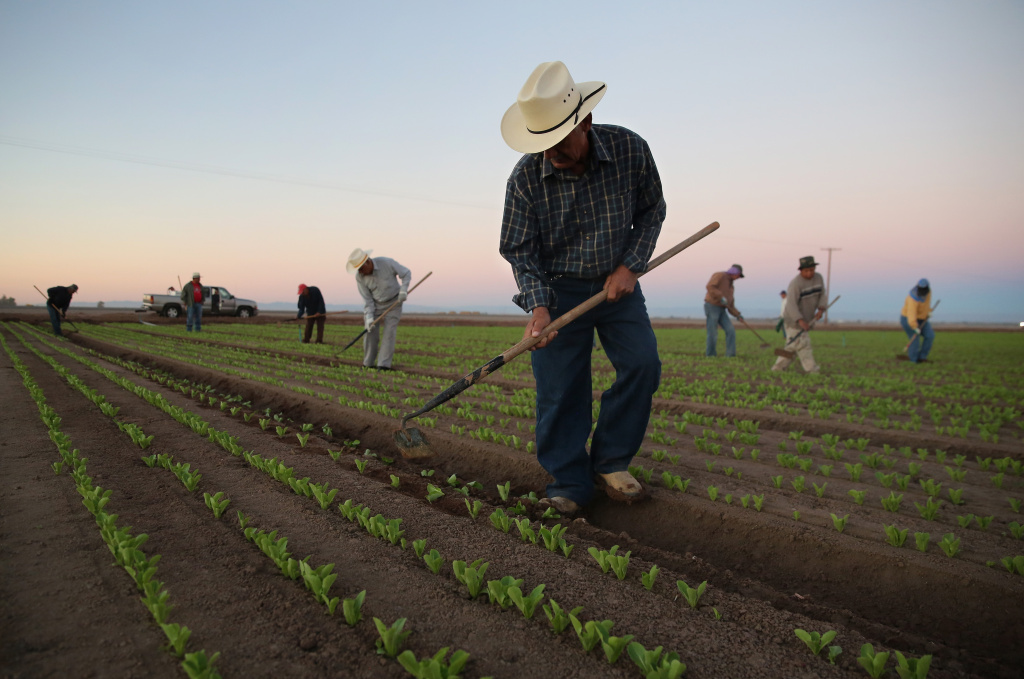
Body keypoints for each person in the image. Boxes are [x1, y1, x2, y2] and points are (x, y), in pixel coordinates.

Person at [499, 61, 665, 515]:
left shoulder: (630, 149)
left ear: (585, 122)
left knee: (642, 365)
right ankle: (569, 481)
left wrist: (631, 265)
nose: (550, 154)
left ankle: (611, 461)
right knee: (560, 388)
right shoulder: (526, 178)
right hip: (558, 290)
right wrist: (538, 307)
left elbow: (653, 209)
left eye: (558, 143)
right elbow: (520, 250)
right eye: (542, 146)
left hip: (619, 285)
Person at [347, 248, 410, 369]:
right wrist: (369, 317)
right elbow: (367, 300)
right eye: (358, 269)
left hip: (394, 302)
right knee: (370, 333)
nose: (360, 272)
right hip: (375, 305)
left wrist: (403, 290)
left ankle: (383, 365)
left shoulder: (387, 263)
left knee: (389, 333)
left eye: (361, 268)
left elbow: (406, 273)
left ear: (367, 262)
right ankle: (368, 364)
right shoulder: (360, 277)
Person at [772, 256, 827, 373]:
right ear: (801, 270)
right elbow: (791, 305)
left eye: (812, 270)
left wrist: (821, 309)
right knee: (803, 345)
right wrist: (800, 321)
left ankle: (777, 369)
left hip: (808, 318)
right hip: (793, 320)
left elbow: (822, 294)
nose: (809, 273)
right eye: (806, 271)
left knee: (792, 346)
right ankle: (812, 370)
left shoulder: (819, 279)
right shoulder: (795, 284)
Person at [704, 264, 744, 357]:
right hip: (712, 306)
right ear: (734, 272)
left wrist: (737, 315)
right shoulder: (720, 275)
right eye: (738, 275)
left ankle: (730, 355)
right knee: (713, 332)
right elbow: (710, 286)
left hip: (722, 309)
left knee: (730, 330)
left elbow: (730, 304)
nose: (738, 278)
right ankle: (710, 355)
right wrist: (720, 297)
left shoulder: (731, 286)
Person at [900, 278, 934, 363]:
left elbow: (927, 304)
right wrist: (914, 327)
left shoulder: (928, 292)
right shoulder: (912, 298)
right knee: (915, 339)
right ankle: (914, 360)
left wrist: (929, 312)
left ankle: (922, 357)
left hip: (922, 319)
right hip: (908, 319)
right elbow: (911, 314)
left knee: (930, 336)